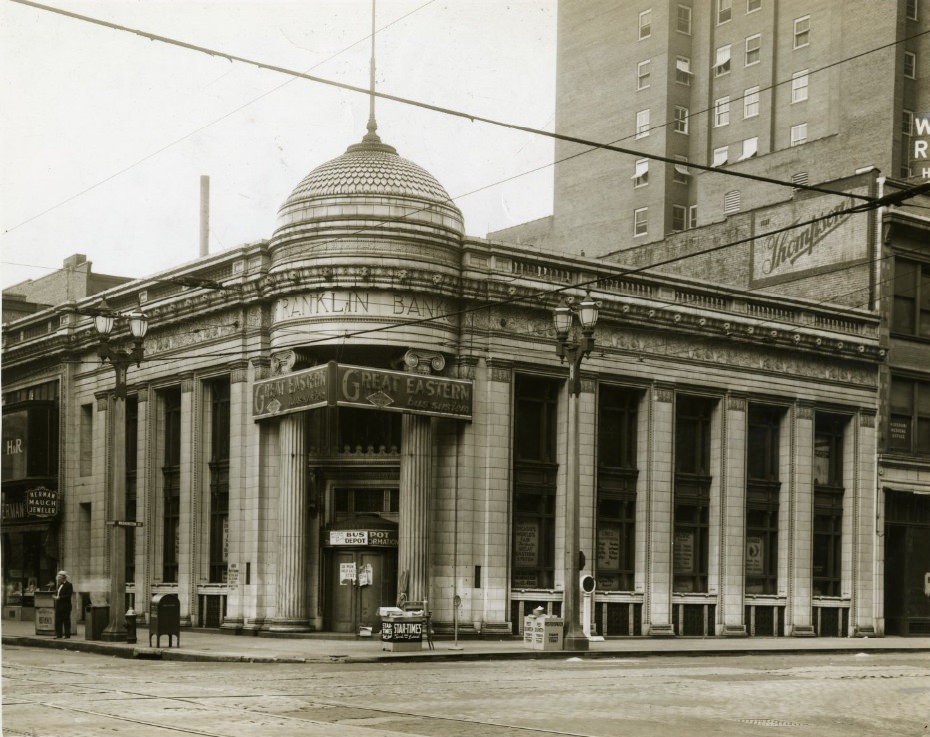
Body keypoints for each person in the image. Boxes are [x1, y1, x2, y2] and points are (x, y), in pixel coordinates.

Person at [53, 571, 73, 639]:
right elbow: (57, 593)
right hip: (59, 605)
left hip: (65, 606)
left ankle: (67, 635)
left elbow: (68, 595)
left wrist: (59, 597)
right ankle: (59, 635)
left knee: (66, 620)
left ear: (63, 578)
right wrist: (55, 596)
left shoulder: (69, 585)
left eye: (59, 578)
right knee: (58, 620)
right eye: (58, 578)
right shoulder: (59, 585)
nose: (58, 580)